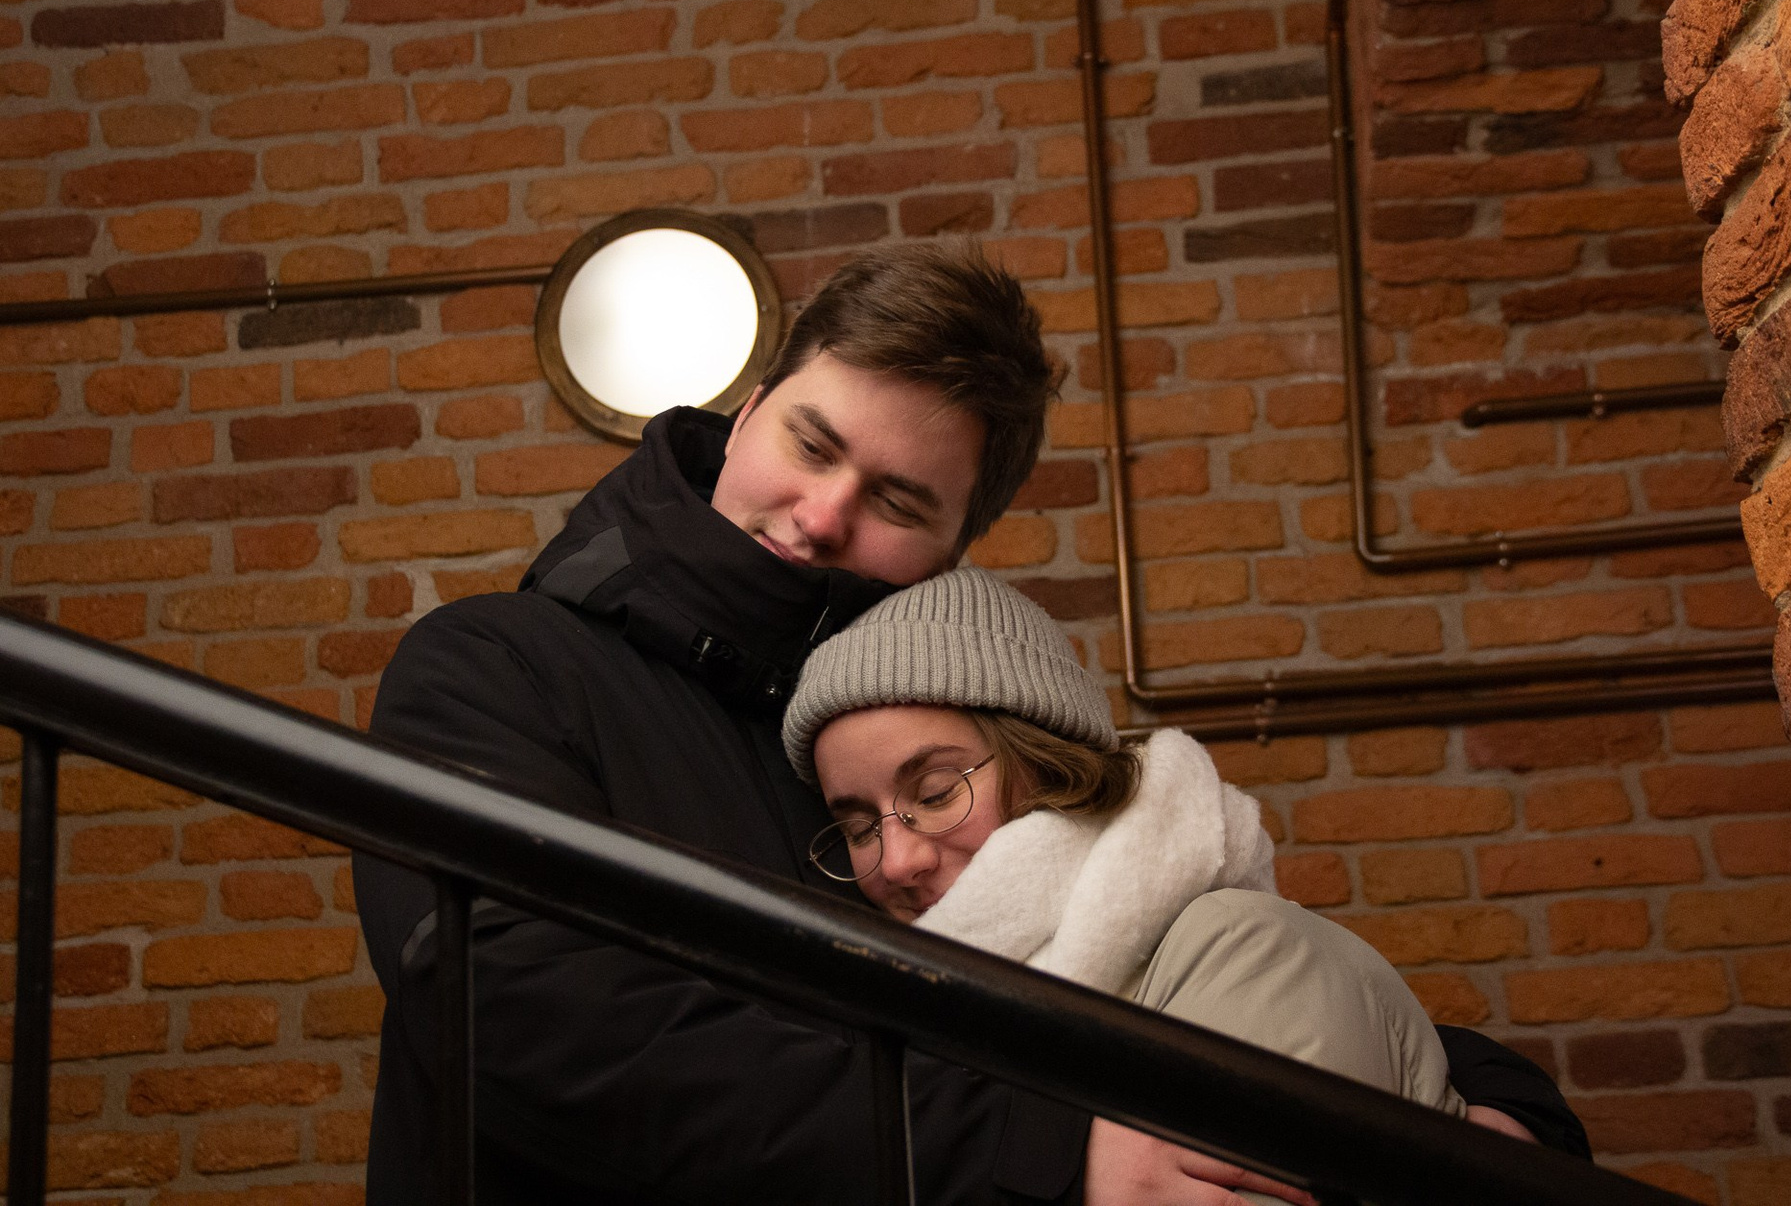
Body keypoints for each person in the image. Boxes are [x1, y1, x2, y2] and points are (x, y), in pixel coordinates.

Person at [355, 241, 1581, 1204]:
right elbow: (532, 1022)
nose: (823, 514)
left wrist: (1475, 1100)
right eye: (811, 442)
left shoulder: (925, 717)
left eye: (897, 499)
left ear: (950, 549)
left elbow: (1146, 928)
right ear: (753, 405)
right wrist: (1039, 1152)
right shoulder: (495, 668)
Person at [781, 567, 1484, 1205]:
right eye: (859, 827)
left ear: (1045, 761)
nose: (896, 862)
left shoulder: (1247, 952)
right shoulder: (909, 1019)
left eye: (936, 792)